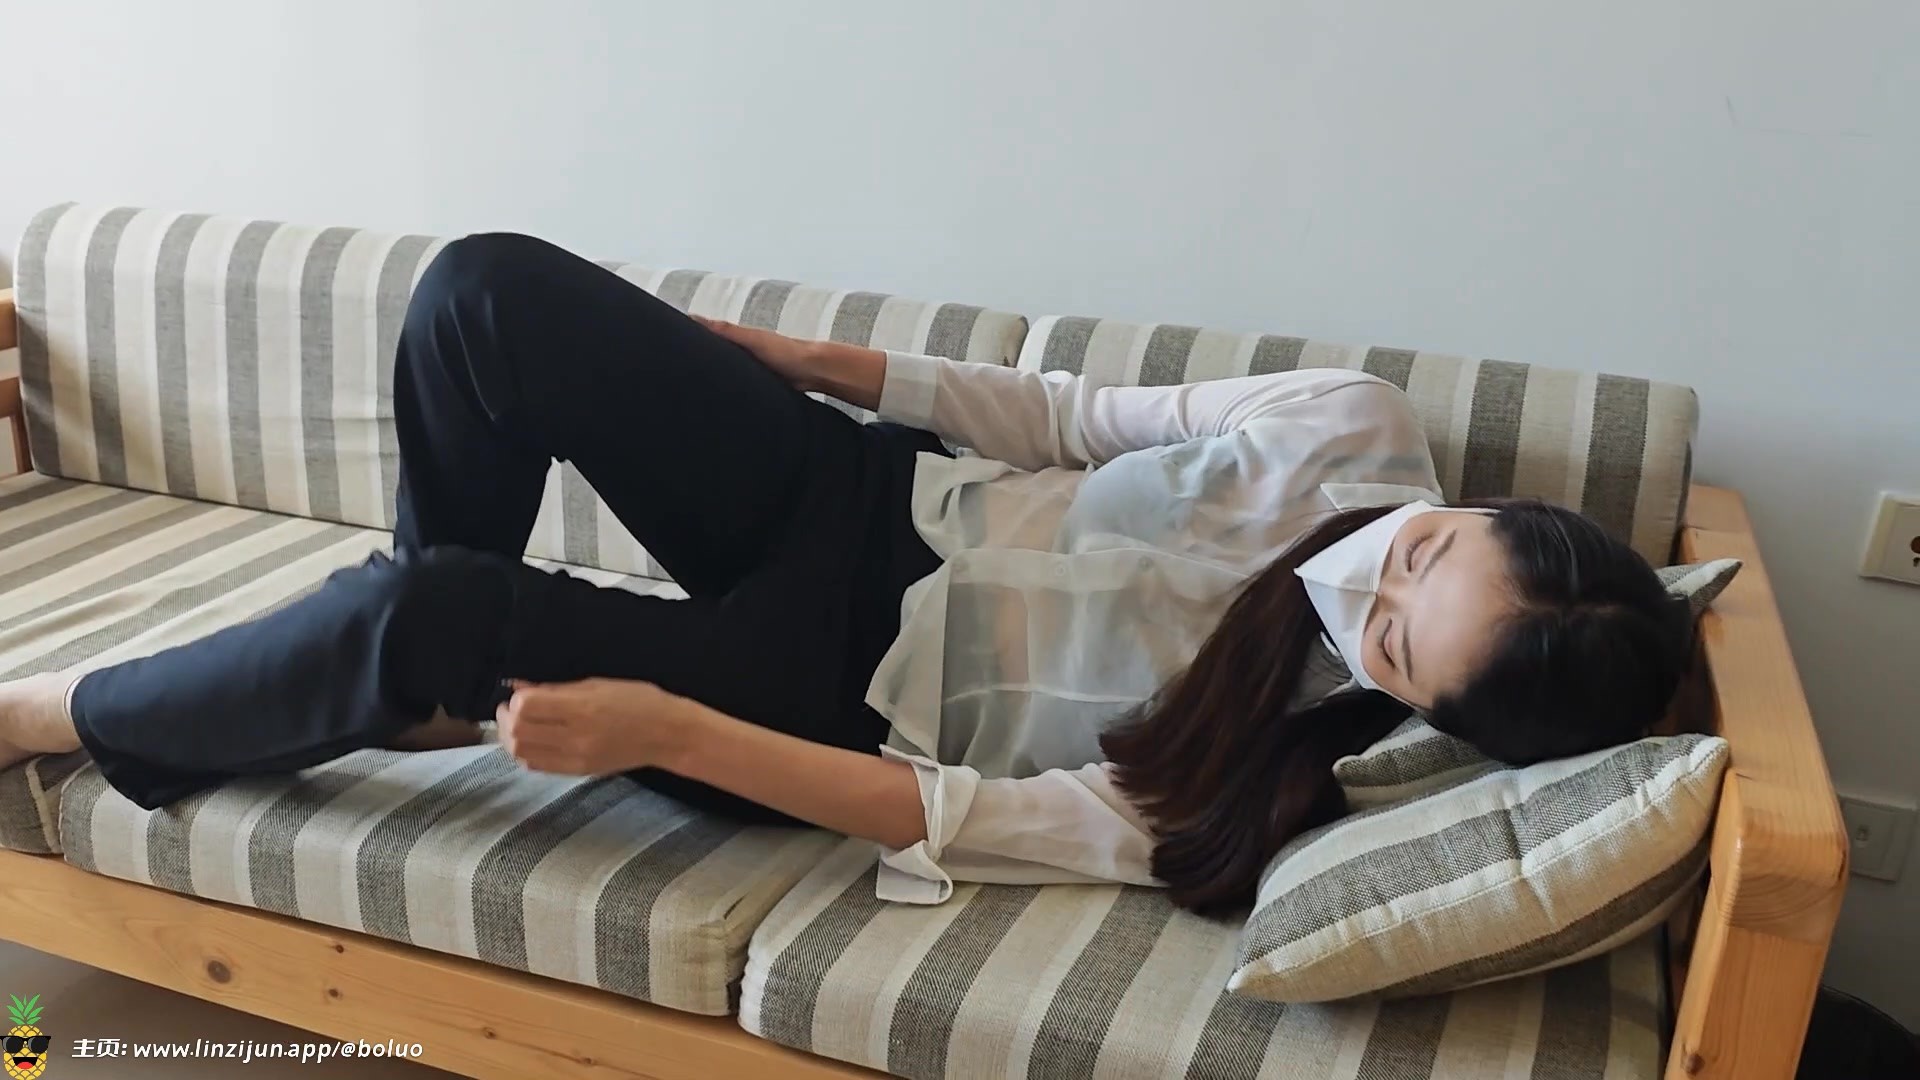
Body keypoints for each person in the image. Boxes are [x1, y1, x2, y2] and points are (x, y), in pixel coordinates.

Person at [0, 234, 1692, 916]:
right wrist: (781, 362)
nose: (1363, 587)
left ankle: (56, 715)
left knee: (413, 616)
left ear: (1422, 714)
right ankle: (414, 664)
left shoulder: (1264, 786)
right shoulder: (1355, 428)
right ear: (1486, 504)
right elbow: (1068, 413)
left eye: (1393, 641)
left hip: (826, 703)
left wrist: (660, 727)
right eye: (1423, 551)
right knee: (483, 298)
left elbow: (949, 814)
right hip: (873, 502)